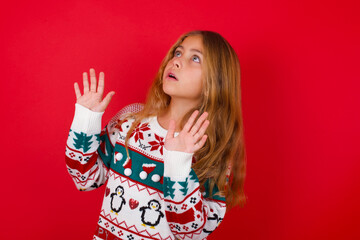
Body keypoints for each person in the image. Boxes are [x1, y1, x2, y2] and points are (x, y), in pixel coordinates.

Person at [65, 30, 246, 240]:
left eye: (195, 58)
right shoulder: (130, 122)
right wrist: (85, 121)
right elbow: (85, 179)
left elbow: (190, 234)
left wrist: (178, 164)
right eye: (177, 53)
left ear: (216, 81)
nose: (176, 62)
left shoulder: (210, 149)